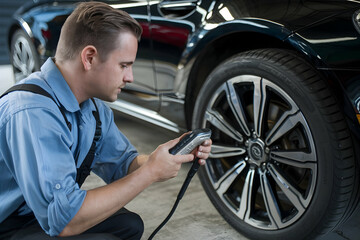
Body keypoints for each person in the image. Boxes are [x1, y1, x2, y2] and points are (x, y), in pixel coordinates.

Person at [0, 2, 212, 239]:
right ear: (89, 57)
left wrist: (165, 156)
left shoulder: (93, 109)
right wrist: (150, 172)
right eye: (124, 65)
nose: (130, 77)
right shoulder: (32, 111)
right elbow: (64, 220)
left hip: (37, 213)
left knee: (129, 225)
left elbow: (123, 164)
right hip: (9, 223)